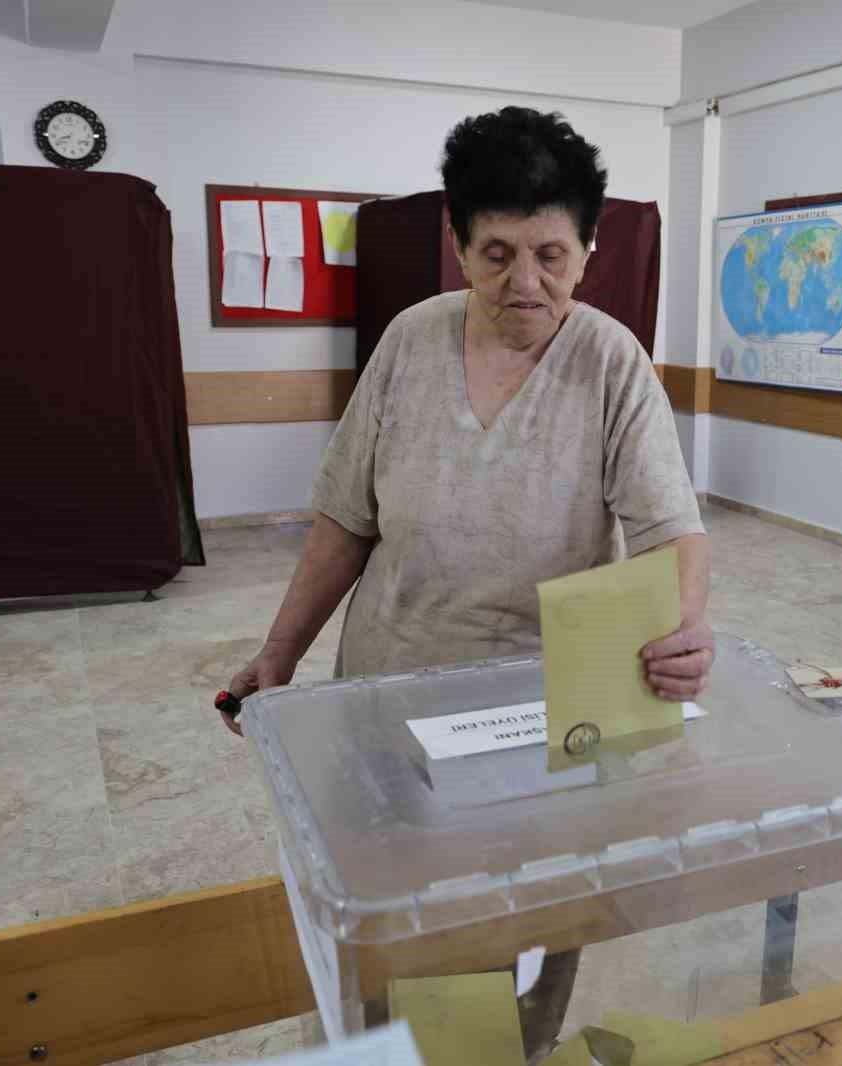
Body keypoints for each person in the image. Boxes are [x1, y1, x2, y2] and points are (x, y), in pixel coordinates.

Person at [220, 106, 710, 1055]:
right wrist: (277, 654)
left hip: (540, 711)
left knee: (538, 921)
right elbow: (344, 520)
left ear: (589, 248)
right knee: (400, 924)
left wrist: (682, 628)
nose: (524, 283)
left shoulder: (610, 361)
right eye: (495, 253)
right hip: (387, 692)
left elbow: (670, 532)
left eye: (551, 254)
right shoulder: (410, 340)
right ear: (456, 244)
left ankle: (513, 1049)